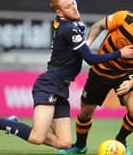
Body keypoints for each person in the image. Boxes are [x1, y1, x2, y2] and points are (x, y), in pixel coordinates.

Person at [0, 0, 133, 151]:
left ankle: (14, 125)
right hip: (49, 85)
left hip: (61, 89)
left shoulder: (65, 21)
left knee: (65, 143)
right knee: (37, 138)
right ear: (60, 13)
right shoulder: (69, 30)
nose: (74, 7)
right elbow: (90, 59)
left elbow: (70, 1)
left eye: (73, 4)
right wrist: (120, 53)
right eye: (69, 7)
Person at [57, 10, 133, 155]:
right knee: (85, 112)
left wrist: (131, 82)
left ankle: (120, 141)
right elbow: (98, 25)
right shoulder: (124, 18)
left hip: (126, 74)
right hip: (101, 71)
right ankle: (80, 146)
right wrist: (87, 43)